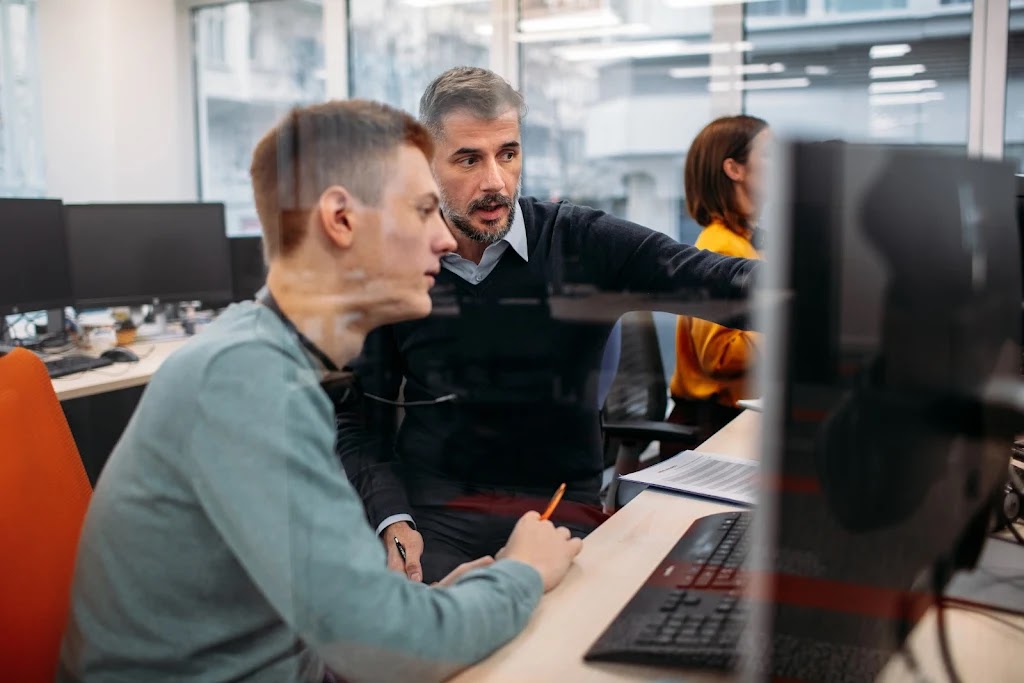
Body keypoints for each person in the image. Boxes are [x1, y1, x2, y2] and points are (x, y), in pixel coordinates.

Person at [58, 100, 582, 683]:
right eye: (423, 210)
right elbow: (386, 654)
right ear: (341, 220)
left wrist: (430, 611)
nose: (443, 238)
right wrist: (522, 574)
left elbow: (350, 621)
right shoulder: (246, 382)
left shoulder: (268, 359)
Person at [337, 66, 763, 584]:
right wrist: (392, 519)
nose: (495, 181)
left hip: (560, 509)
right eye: (468, 159)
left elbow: (730, 285)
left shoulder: (583, 242)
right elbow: (358, 422)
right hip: (438, 514)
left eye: (508, 154)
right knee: (433, 650)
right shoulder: (393, 263)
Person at [664, 115, 769, 452]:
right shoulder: (721, 246)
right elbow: (718, 356)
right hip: (708, 428)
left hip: (731, 416)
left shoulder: (746, 243)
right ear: (734, 169)